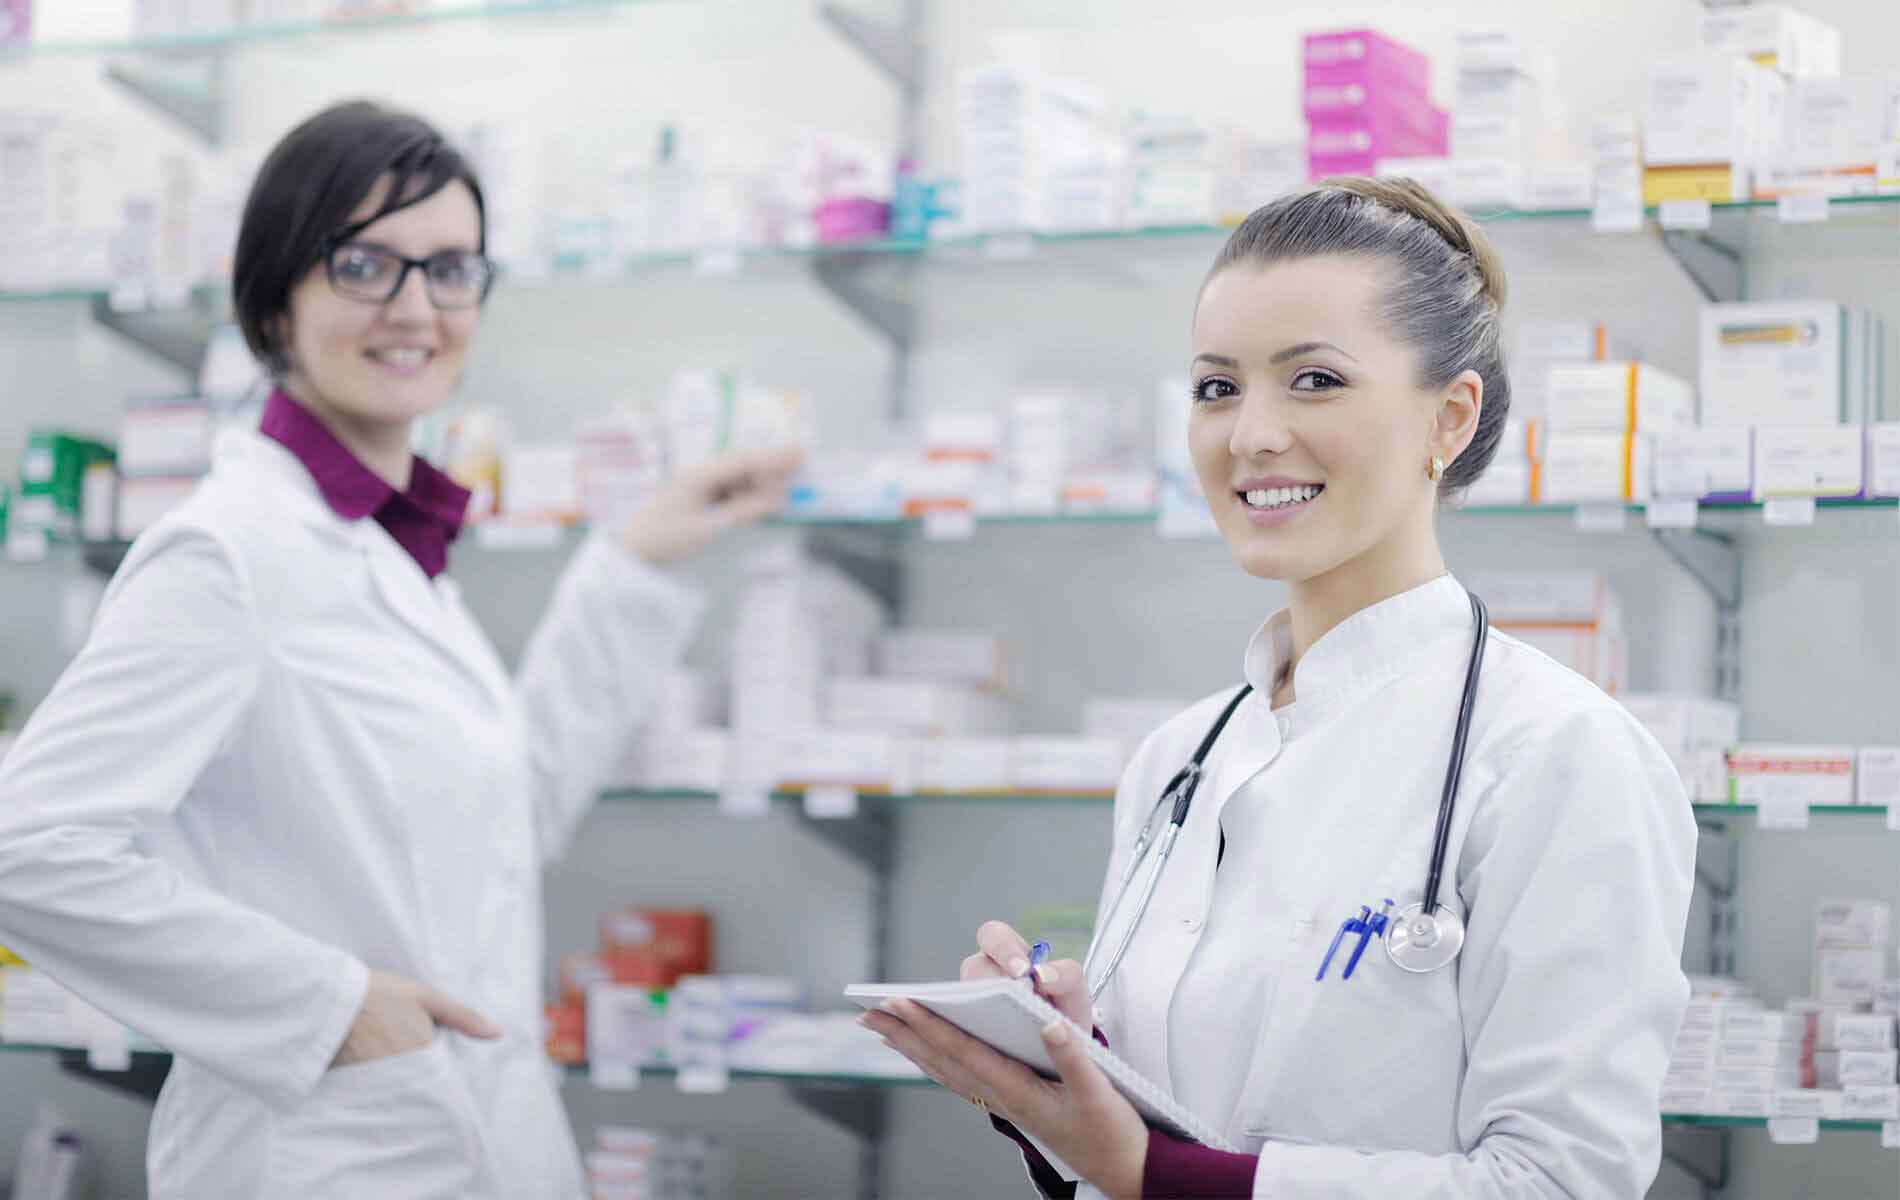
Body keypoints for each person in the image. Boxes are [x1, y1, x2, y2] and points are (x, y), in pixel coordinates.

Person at [0, 100, 798, 1199]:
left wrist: (636, 563)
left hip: (470, 1134)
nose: (416, 307)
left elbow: (504, 819)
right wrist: (331, 1010)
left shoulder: (381, 548)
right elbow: (30, 848)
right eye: (366, 264)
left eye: (452, 269)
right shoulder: (230, 554)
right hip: (325, 1151)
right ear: (276, 291)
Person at [863, 178, 1697, 1199]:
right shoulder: (1180, 757)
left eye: (1313, 381)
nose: (1250, 435)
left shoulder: (1560, 754)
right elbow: (1155, 1143)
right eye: (1217, 388)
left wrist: (1153, 1174)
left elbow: (1562, 1184)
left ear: (1450, 418)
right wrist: (1062, 1079)